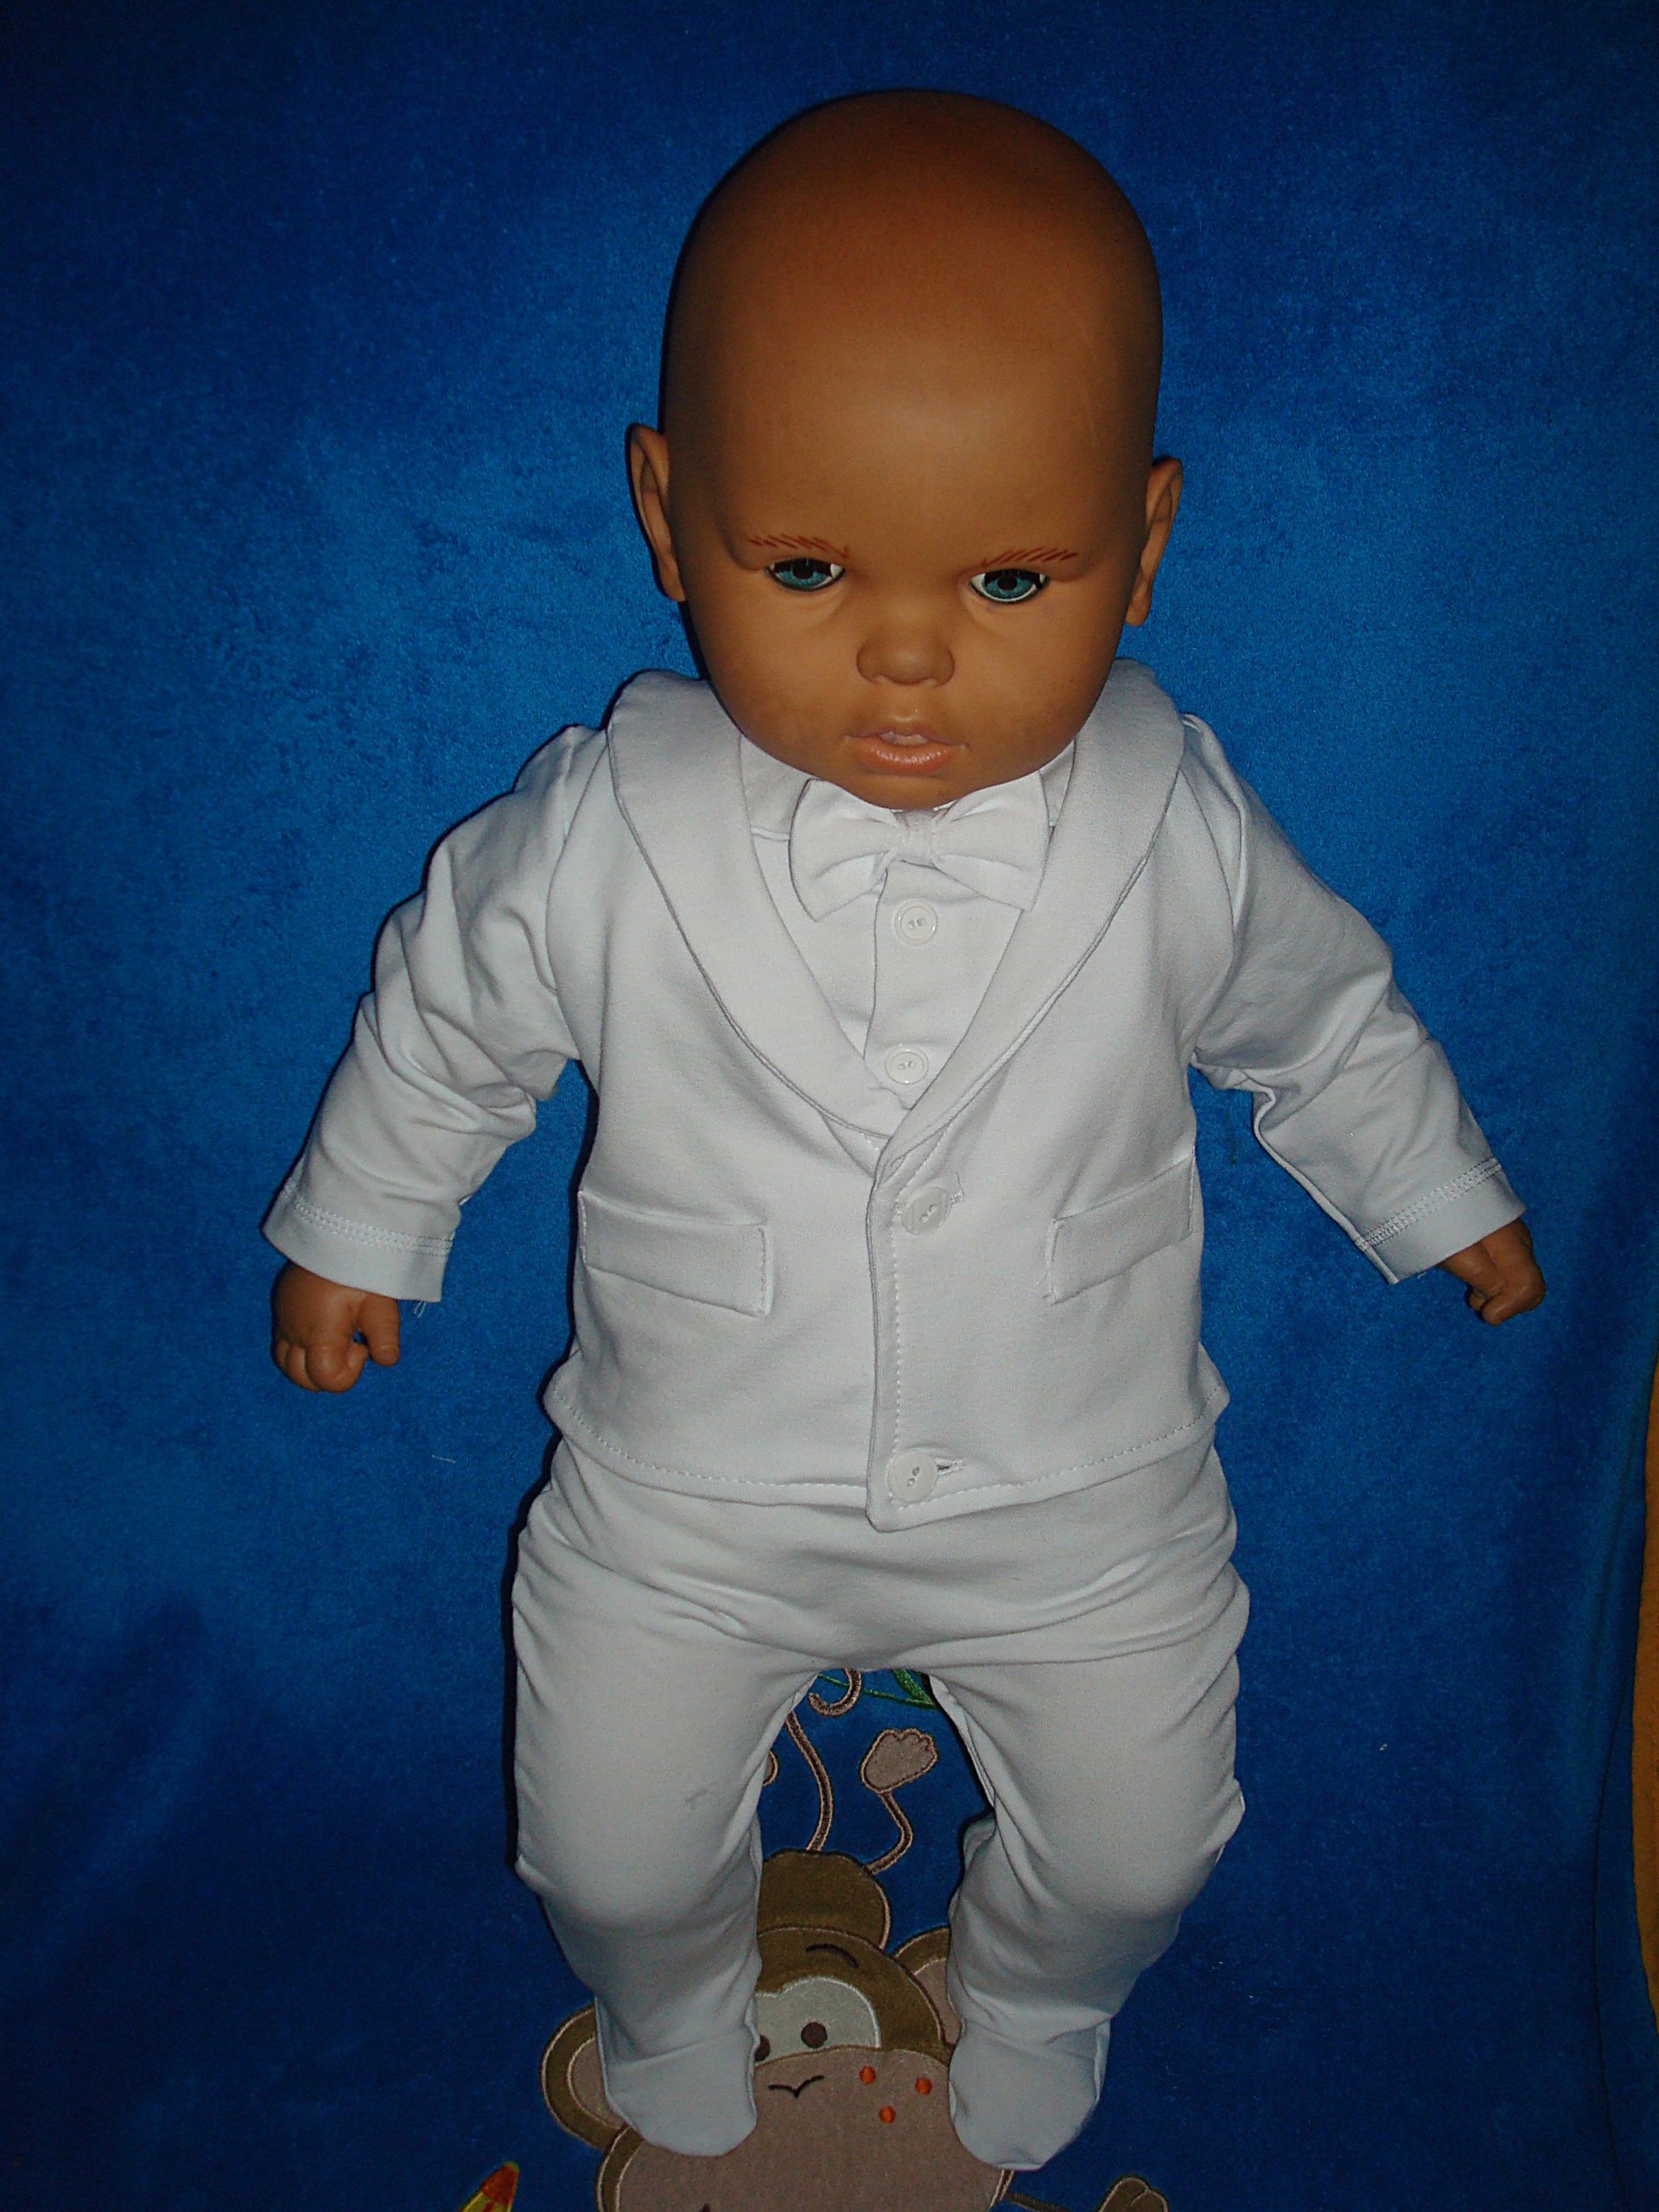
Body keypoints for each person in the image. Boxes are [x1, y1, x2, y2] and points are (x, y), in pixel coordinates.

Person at [264, 91, 1545, 2174]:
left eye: (1014, 574)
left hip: (1083, 1481)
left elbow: (1322, 1018)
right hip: (686, 1479)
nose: (910, 649)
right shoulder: (604, 827)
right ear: (668, 517)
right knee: (597, 1837)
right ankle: (667, 1989)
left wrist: (1439, 1190)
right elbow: (447, 1017)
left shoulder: (1172, 820)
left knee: (1143, 1840)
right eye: (806, 566)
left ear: (1146, 546)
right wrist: (362, 1218)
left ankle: (1038, 1982)